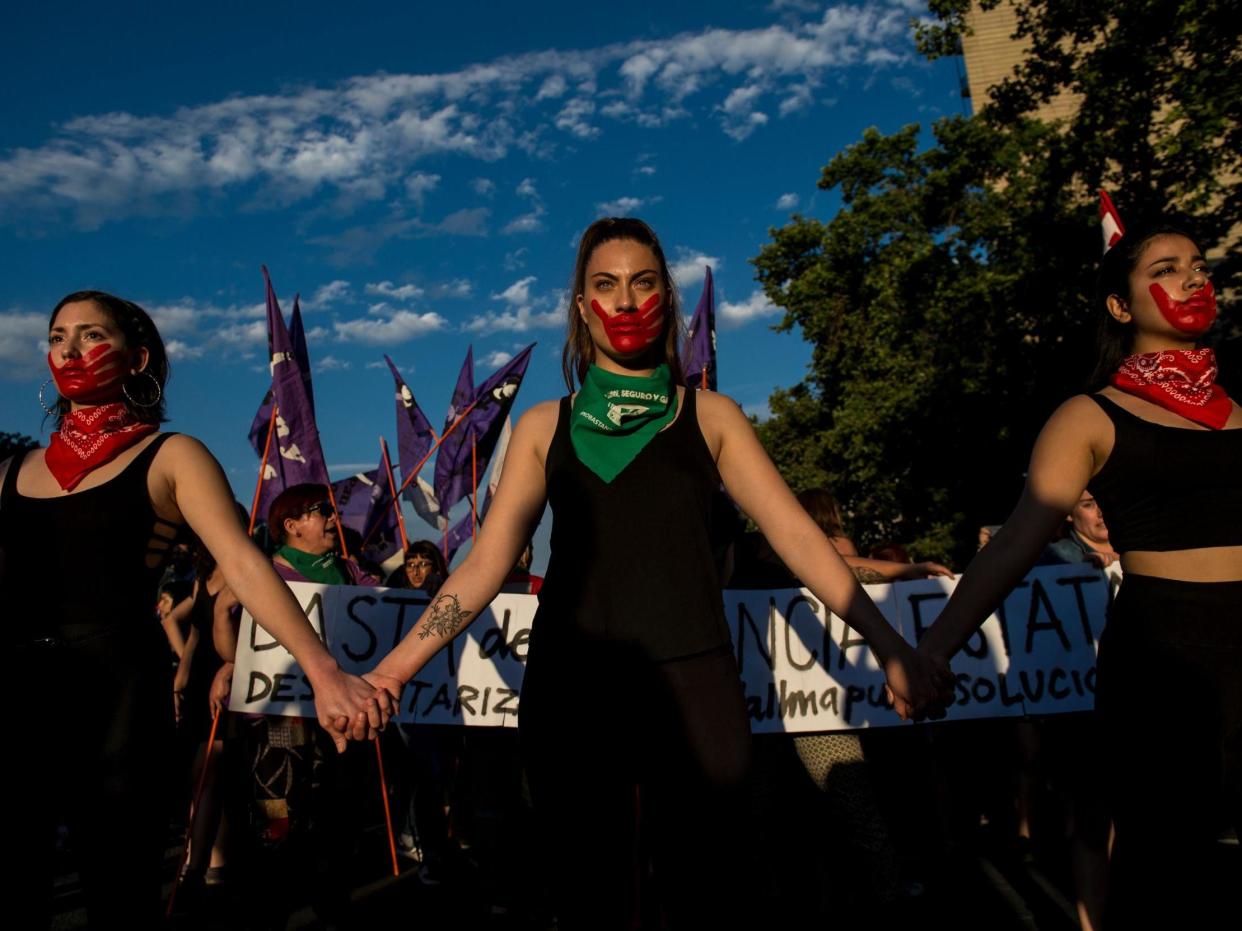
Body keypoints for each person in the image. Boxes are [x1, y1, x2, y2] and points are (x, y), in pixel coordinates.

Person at [361, 218, 946, 928]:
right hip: (573, 688)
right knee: (587, 894)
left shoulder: (713, 415)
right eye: (605, 285)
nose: (626, 301)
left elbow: (797, 536)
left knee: (712, 889)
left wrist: (889, 644)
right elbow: (485, 561)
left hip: (695, 684)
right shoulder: (544, 424)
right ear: (581, 306)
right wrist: (393, 670)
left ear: (664, 298)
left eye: (642, 282)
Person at [0, 290, 391, 926]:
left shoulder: (172, 456)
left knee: (116, 887)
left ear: (137, 357)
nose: (68, 350)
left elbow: (244, 565)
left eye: (91, 335)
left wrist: (324, 673)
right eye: (57, 336)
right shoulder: (11, 469)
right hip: (21, 691)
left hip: (121, 696)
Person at [916, 219, 1240, 924]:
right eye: (1165, 268)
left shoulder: (1241, 409)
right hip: (1164, 657)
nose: (1192, 277)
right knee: (1171, 870)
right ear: (1120, 306)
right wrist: (935, 647)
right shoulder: (1088, 416)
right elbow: (1014, 544)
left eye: (1197, 264)